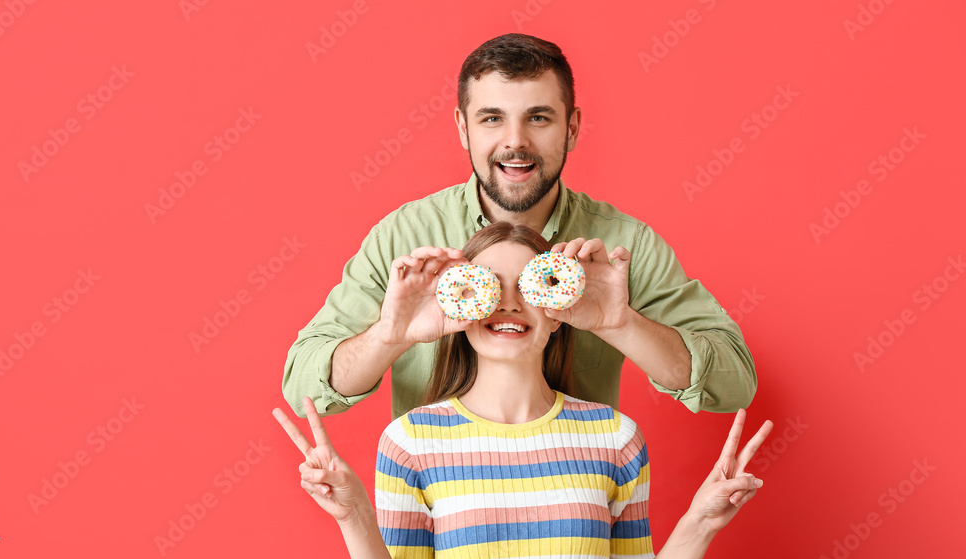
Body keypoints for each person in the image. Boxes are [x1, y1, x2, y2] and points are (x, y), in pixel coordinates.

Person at [273, 223, 773, 559]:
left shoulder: (615, 438)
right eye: (489, 287)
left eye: (532, 286)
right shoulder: (411, 443)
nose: (510, 303)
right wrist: (355, 517)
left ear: (560, 311)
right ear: (460, 306)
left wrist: (698, 524)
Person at [282, 33, 757, 425]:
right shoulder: (403, 237)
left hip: (579, 502)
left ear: (571, 128)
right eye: (492, 119)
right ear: (463, 129)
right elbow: (304, 386)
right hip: (435, 505)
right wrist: (391, 334)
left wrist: (622, 324)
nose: (515, 142)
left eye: (539, 118)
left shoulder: (623, 247)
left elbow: (734, 384)